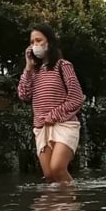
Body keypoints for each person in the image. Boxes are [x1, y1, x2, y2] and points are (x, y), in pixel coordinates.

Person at [18, 24, 85, 185]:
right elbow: (23, 95)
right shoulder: (33, 72)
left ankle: (72, 207)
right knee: (49, 175)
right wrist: (28, 67)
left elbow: (77, 97)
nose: (35, 45)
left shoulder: (63, 66)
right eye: (32, 42)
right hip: (41, 127)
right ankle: (56, 209)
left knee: (57, 169)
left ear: (49, 42)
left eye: (39, 40)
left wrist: (54, 115)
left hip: (64, 124)